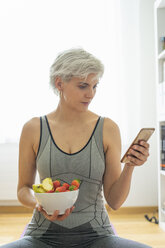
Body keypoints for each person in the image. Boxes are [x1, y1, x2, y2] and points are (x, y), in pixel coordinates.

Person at [1, 48, 152, 248]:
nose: (90, 94)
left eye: (95, 86)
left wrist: (130, 165)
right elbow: (23, 189)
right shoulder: (33, 128)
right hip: (42, 236)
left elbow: (115, 202)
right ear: (59, 83)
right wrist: (39, 203)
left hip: (97, 236)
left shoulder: (107, 128)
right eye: (83, 86)